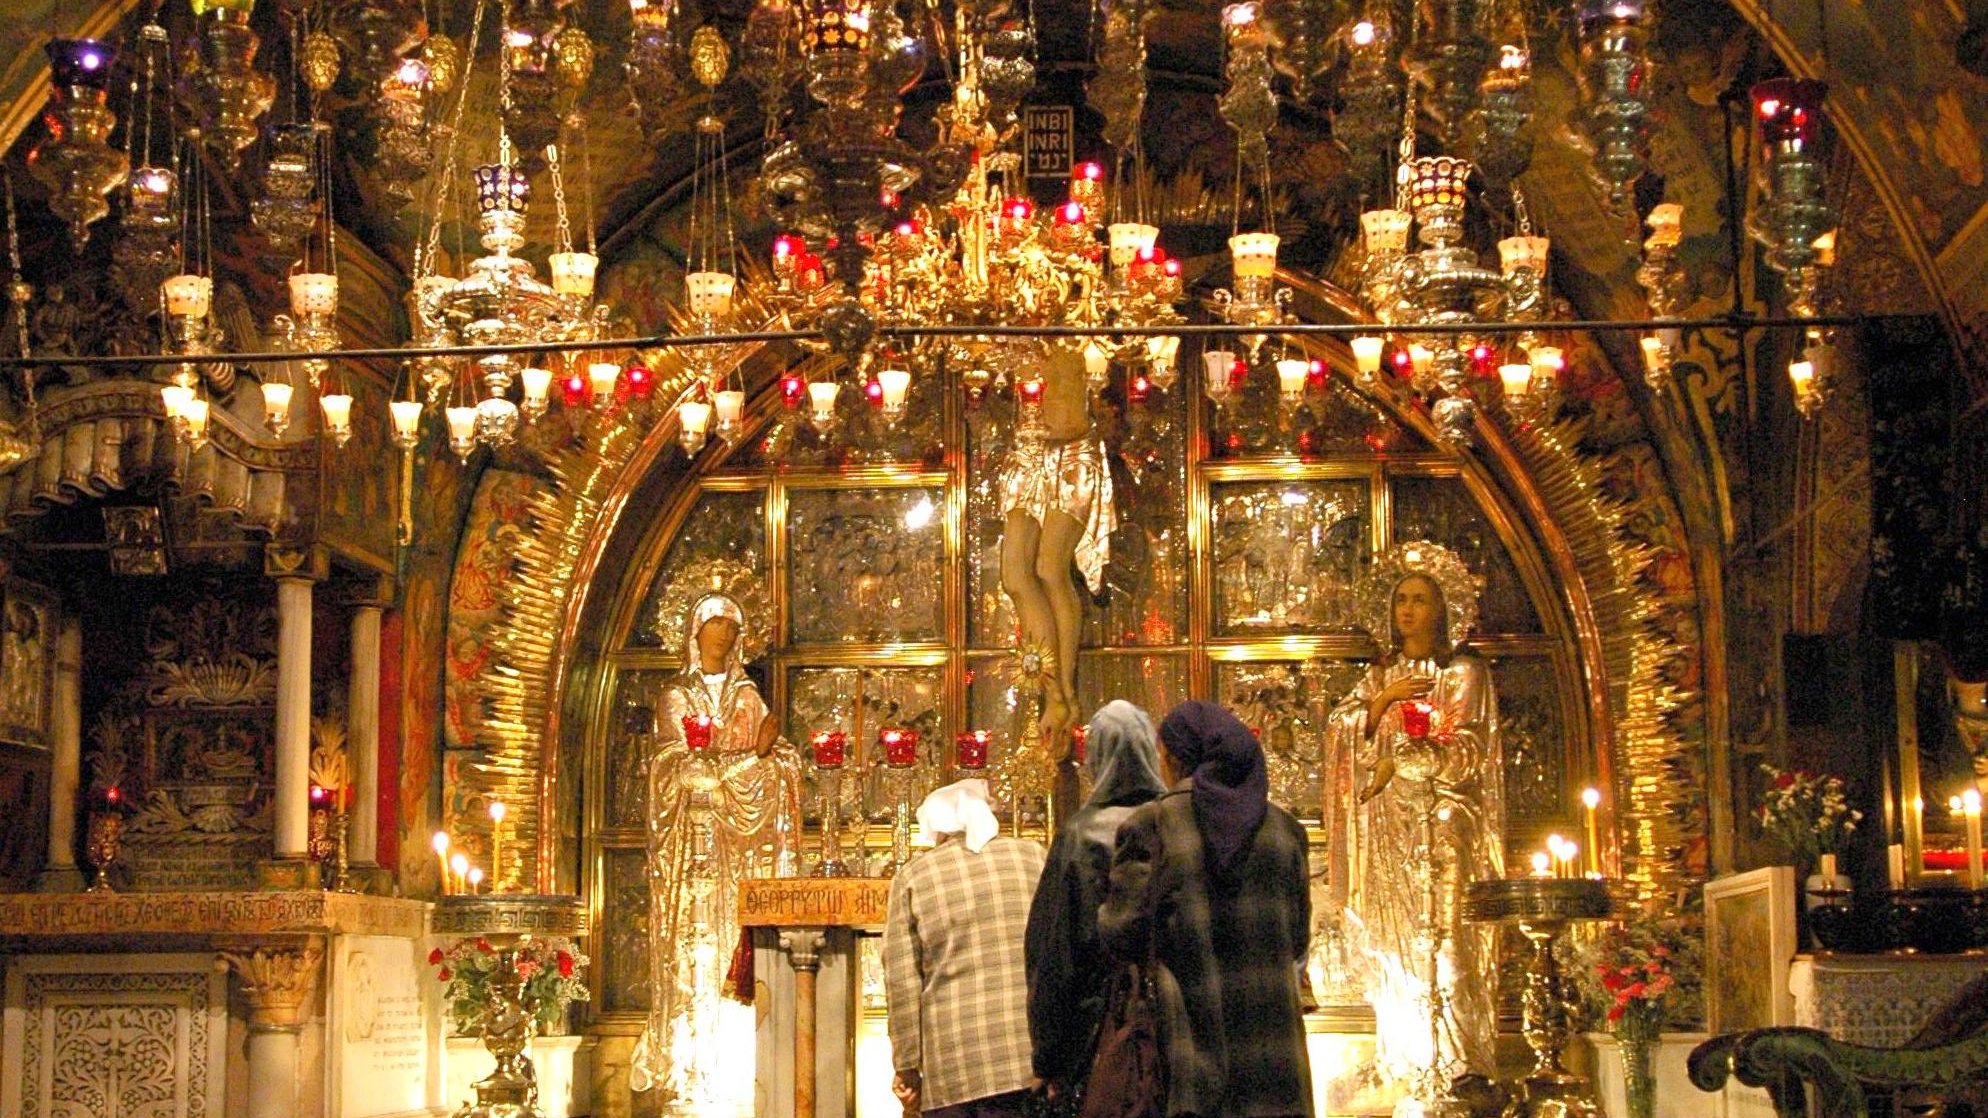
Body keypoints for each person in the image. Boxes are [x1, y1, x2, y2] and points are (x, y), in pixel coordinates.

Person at [1323, 543, 1504, 1098]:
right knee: (1394, 943)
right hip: (1387, 826)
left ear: (1441, 609)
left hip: (1445, 822)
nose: (1407, 609)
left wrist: (1405, 756)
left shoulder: (1463, 673)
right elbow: (1339, 731)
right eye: (1401, 598)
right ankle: (1405, 1061)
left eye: (1420, 599)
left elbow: (1468, 749)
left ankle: (1456, 1065)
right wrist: (1383, 706)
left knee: (1447, 943)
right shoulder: (1379, 677)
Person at [1098, 700, 1314, 1118]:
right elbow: (1297, 941)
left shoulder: (1154, 826)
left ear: (1175, 759)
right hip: (1275, 1064)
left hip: (1193, 1058)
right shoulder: (1286, 832)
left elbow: (1120, 933)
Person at [631, 593, 803, 1107]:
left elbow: (778, 764)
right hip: (691, 855)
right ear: (695, 632)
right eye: (716, 625)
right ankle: (689, 1071)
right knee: (694, 960)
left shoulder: (749, 698)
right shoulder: (676, 698)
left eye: (733, 627)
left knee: (738, 944)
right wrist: (750, 757)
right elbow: (678, 771)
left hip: (741, 854)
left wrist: (762, 762)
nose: (725, 635)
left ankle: (742, 1074)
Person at [1025, 700, 1170, 1097]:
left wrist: (1049, 1057)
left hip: (1100, 1028)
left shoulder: (1081, 835)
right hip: (1173, 1027)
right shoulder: (1174, 820)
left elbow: (1056, 951)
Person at [886, 779, 1047, 1118]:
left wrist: (907, 1066)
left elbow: (902, 982)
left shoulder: (915, 876)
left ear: (937, 828)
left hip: (954, 1067)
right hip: (1029, 1057)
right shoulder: (1034, 856)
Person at [998, 347, 1116, 745]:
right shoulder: (1009, 323)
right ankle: (1054, 693)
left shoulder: (1080, 318)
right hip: (1027, 450)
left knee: (1050, 569)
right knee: (1014, 576)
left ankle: (1063, 692)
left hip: (1072, 451)